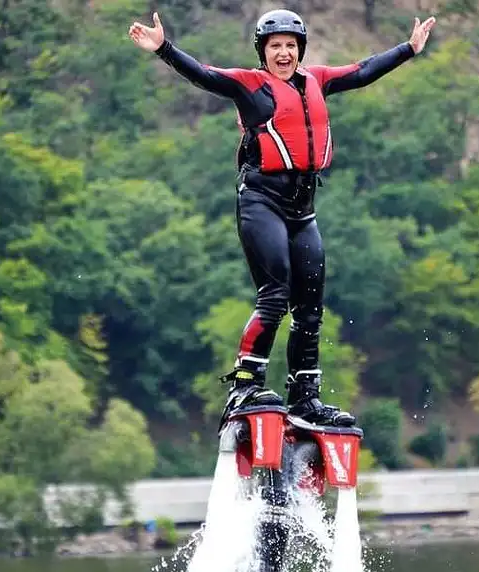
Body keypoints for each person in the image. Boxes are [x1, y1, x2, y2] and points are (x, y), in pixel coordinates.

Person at [129, 8, 436, 430]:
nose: (285, 52)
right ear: (264, 51)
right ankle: (245, 383)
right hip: (261, 202)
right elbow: (203, 74)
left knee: (310, 306)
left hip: (302, 210)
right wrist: (163, 48)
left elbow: (363, 70)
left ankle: (305, 398)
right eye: (276, 46)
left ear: (301, 50)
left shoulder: (318, 81)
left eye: (291, 45)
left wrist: (409, 49)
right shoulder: (250, 86)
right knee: (276, 292)